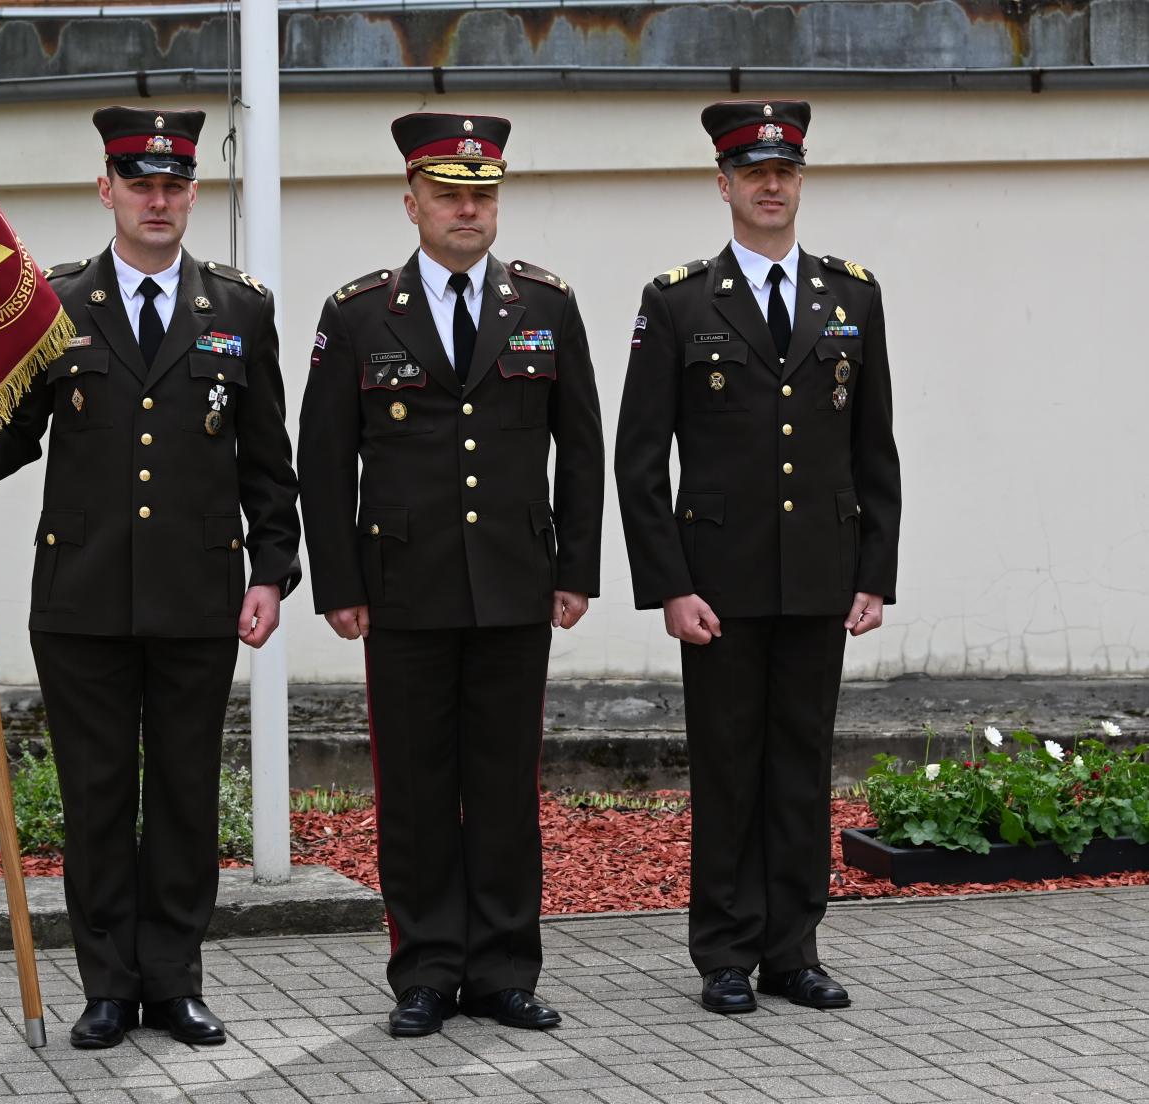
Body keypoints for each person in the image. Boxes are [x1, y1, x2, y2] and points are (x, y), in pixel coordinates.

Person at [0, 106, 301, 1049]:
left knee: (188, 796)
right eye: (139, 183)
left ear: (194, 193)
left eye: (174, 185)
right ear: (105, 189)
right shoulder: (53, 305)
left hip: (199, 596)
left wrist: (273, 569)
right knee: (99, 796)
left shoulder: (240, 308)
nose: (158, 200)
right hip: (81, 600)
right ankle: (108, 985)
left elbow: (266, 458)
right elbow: (13, 436)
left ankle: (175, 981)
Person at [298, 112, 604, 1037]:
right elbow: (323, 460)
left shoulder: (546, 306)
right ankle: (426, 971)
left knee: (507, 786)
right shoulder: (357, 313)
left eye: (482, 195)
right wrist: (340, 584)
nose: (467, 210)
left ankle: (506, 969)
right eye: (448, 194)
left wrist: (576, 569)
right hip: (404, 589)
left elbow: (580, 449)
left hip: (515, 583)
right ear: (412, 203)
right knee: (419, 789)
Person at [616, 100, 901, 1014]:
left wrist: (875, 570)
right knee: (729, 768)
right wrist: (669, 584)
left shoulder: (851, 294)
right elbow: (637, 457)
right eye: (753, 172)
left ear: (799, 181)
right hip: (721, 584)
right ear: (724, 184)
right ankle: (727, 955)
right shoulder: (678, 300)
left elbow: (875, 446)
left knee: (802, 766)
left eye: (784, 172)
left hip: (821, 572)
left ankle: (794, 949)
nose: (770, 186)